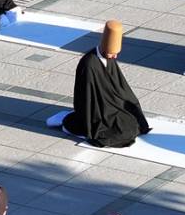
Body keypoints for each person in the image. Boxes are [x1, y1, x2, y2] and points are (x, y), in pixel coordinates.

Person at [61, 20, 150, 148]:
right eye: (111, 53)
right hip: (97, 110)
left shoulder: (109, 58)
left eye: (115, 54)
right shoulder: (89, 63)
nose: (113, 57)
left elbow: (119, 87)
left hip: (111, 106)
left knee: (133, 124)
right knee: (116, 133)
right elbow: (87, 95)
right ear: (103, 47)